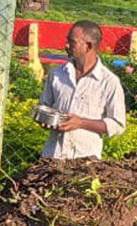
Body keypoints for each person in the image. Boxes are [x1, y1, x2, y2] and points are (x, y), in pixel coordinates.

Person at [37, 20, 126, 160]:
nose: (66, 46)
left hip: (85, 163)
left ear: (88, 46)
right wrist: (45, 120)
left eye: (72, 42)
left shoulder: (109, 82)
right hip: (51, 158)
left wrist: (81, 123)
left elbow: (118, 125)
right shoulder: (57, 75)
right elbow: (44, 107)